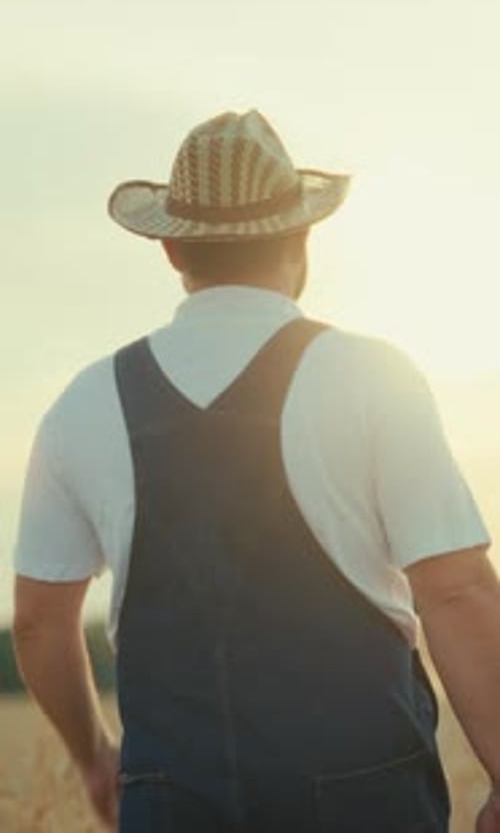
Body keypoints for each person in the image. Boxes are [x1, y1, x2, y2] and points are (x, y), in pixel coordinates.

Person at [12, 109, 500, 833]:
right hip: (367, 802)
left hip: (170, 804)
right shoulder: (374, 377)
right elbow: (456, 590)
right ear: (301, 238)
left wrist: (95, 761)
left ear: (172, 251)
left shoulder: (80, 407)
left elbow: (39, 625)